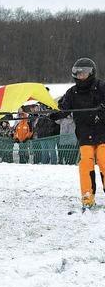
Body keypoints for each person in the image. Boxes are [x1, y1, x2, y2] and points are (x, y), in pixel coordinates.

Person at [52, 57, 105, 211]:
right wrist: (54, 114)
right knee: (85, 163)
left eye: (84, 73)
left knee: (103, 159)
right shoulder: (72, 92)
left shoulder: (101, 87)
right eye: (78, 74)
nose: (81, 76)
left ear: (92, 73)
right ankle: (87, 195)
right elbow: (63, 109)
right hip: (84, 134)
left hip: (102, 132)